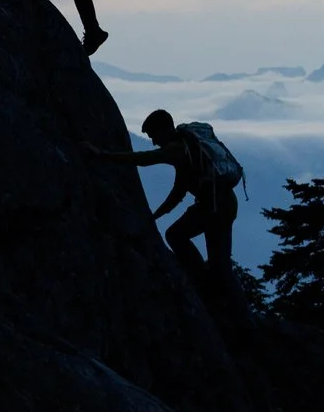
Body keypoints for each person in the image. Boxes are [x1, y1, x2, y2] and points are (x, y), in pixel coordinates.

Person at [91, 110, 242, 296]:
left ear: (164, 130)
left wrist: (103, 155)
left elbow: (144, 159)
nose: (154, 141)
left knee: (191, 246)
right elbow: (178, 191)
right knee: (217, 263)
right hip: (221, 205)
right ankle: (210, 286)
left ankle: (210, 288)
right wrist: (155, 215)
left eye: (154, 136)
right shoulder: (187, 148)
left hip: (215, 208)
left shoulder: (176, 150)